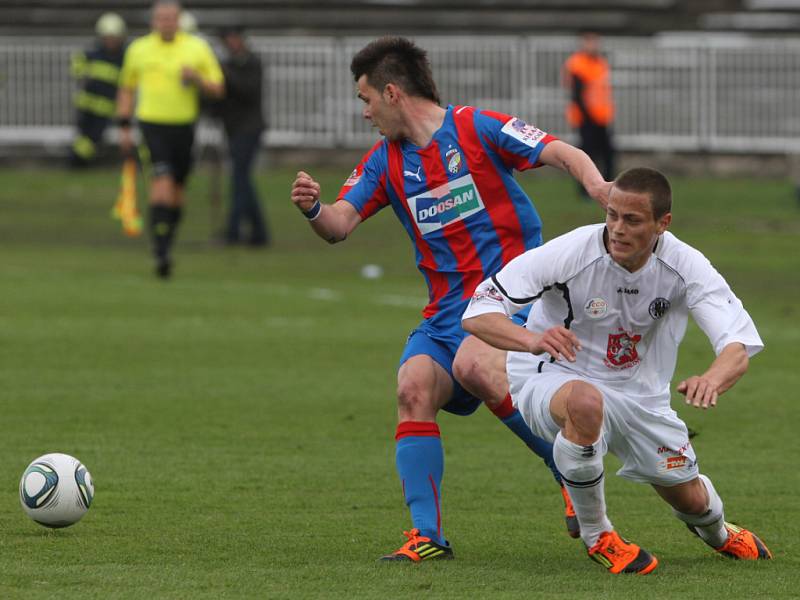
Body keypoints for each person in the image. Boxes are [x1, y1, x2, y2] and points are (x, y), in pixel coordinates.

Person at [290, 36, 612, 562]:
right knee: (413, 387)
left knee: (478, 366)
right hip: (448, 313)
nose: (365, 113)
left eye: (366, 100)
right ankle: (427, 537)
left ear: (392, 93)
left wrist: (597, 187)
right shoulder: (385, 162)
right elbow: (339, 225)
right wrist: (313, 208)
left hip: (514, 300)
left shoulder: (476, 127)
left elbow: (560, 150)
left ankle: (566, 470)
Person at [462, 167, 772, 574]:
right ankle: (598, 535)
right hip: (550, 372)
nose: (617, 229)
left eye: (632, 220)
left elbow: (737, 345)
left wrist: (711, 379)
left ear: (663, 223)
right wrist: (530, 340)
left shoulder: (686, 265)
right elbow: (479, 310)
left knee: (692, 500)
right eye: (612, 215)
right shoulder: (571, 251)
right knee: (585, 403)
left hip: (641, 395)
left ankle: (718, 533)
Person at [116, 0, 224, 278]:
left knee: (177, 191)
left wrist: (197, 78)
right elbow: (127, 88)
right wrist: (125, 126)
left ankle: (167, 239)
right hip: (152, 125)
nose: (166, 22)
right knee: (161, 183)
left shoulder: (196, 48)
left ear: (179, 20)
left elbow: (218, 88)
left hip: (184, 127)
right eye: (161, 18)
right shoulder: (139, 49)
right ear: (154, 21)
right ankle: (161, 252)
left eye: (171, 18)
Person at [216, 26, 270, 247]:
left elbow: (247, 90)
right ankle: (258, 233)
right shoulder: (228, 65)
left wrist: (225, 74)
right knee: (242, 180)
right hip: (234, 128)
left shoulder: (252, 63)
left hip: (249, 129)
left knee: (240, 179)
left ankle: (234, 231)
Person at [69, 13, 127, 168]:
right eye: (108, 37)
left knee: (92, 138)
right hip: (86, 105)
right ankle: (77, 163)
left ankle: (77, 163)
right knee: (83, 137)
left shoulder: (124, 57)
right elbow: (77, 69)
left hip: (105, 109)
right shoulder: (91, 54)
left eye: (114, 37)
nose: (111, 41)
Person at [563, 32, 615, 198]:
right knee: (586, 155)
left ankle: (608, 188)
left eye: (596, 42)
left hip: (601, 117)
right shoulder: (577, 64)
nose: (593, 45)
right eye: (590, 42)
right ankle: (584, 190)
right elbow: (577, 94)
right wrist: (588, 116)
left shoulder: (600, 62)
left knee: (608, 154)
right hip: (586, 119)